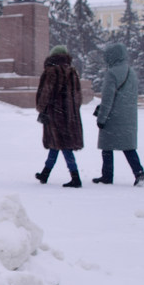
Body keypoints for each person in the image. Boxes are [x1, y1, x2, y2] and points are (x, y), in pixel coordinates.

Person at [93, 43, 144, 186]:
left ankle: (107, 176)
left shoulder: (112, 73)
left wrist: (102, 118)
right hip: (129, 117)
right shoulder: (131, 72)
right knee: (128, 147)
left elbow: (108, 98)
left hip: (113, 117)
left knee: (107, 147)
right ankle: (139, 172)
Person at [34, 45, 84, 187]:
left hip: (55, 114)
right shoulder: (72, 72)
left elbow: (45, 93)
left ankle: (75, 177)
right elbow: (78, 96)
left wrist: (42, 108)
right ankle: (45, 173)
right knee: (56, 145)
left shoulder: (51, 72)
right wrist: (72, 109)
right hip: (69, 115)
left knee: (62, 145)